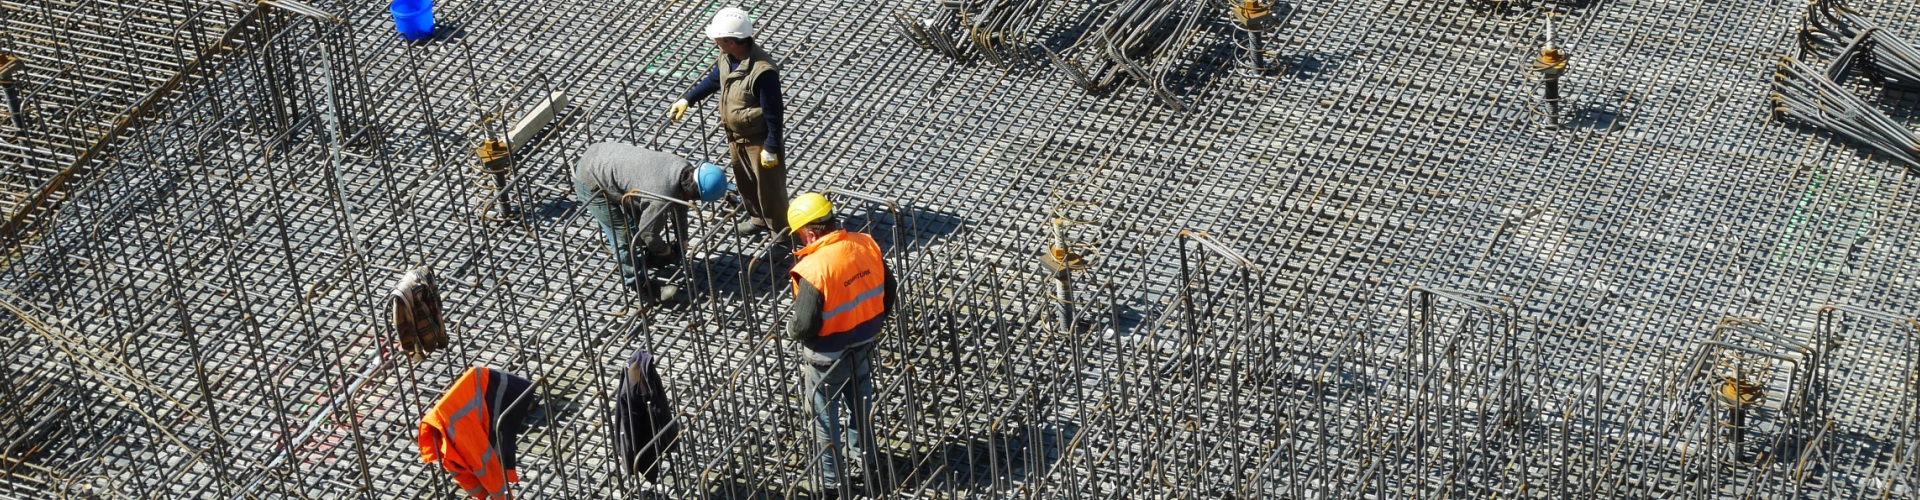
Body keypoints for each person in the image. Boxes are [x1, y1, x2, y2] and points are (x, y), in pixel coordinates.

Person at [783, 193, 897, 496]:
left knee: (823, 414)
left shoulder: (814, 268)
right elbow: (890, 290)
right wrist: (869, 320)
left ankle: (831, 483)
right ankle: (869, 464)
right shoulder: (865, 244)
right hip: (864, 341)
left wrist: (792, 329)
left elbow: (805, 324)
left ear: (809, 232)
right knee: (860, 404)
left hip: (827, 354)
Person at [669, 7, 791, 237]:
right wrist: (688, 99)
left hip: (759, 141)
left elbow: (774, 112)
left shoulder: (762, 71)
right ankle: (758, 220)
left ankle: (780, 231)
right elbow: (716, 79)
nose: (715, 42)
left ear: (732, 41)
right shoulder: (728, 57)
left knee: (770, 189)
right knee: (745, 182)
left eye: (719, 39)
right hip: (735, 136)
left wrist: (772, 147)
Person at [572, 142, 727, 303]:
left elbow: (680, 205)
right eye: (696, 199)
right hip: (590, 179)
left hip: (602, 155)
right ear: (692, 192)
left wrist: (683, 241)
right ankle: (640, 286)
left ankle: (645, 258)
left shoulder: (684, 168)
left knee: (642, 219)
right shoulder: (660, 197)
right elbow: (647, 232)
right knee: (625, 235)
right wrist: (664, 251)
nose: (695, 201)